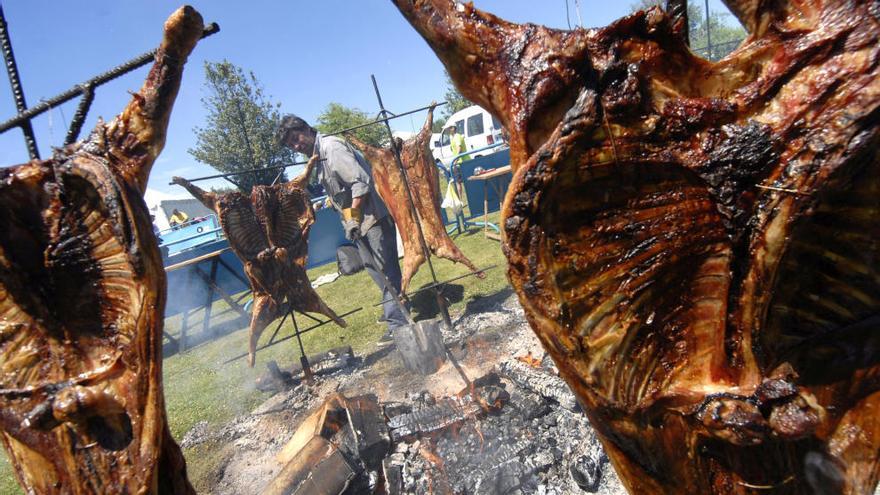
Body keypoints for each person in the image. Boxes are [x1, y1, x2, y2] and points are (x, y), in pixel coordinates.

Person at [276, 114, 408, 339]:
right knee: (372, 268)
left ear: (307, 128)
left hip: (372, 217)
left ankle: (398, 325)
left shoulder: (331, 148)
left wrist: (353, 217)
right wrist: (348, 218)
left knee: (387, 271)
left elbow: (360, 182)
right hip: (358, 221)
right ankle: (397, 308)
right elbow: (341, 190)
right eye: (291, 145)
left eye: (297, 139)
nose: (297, 146)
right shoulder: (318, 156)